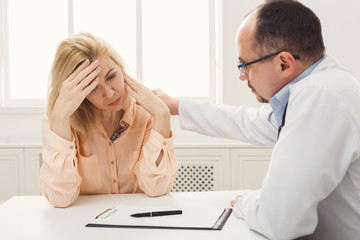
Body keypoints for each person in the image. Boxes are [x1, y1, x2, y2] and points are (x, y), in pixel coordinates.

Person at [155, 0, 360, 239]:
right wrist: (176, 107)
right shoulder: (325, 87)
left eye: (245, 65)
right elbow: (249, 121)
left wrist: (247, 201)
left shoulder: (320, 96)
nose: (242, 77)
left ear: (284, 63)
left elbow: (279, 220)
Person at [40, 32, 177, 208]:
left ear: (121, 68)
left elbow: (157, 188)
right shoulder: (61, 124)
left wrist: (162, 114)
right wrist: (60, 116)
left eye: (111, 76)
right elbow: (60, 199)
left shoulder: (146, 115)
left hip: (136, 221)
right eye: (92, 88)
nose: (109, 93)